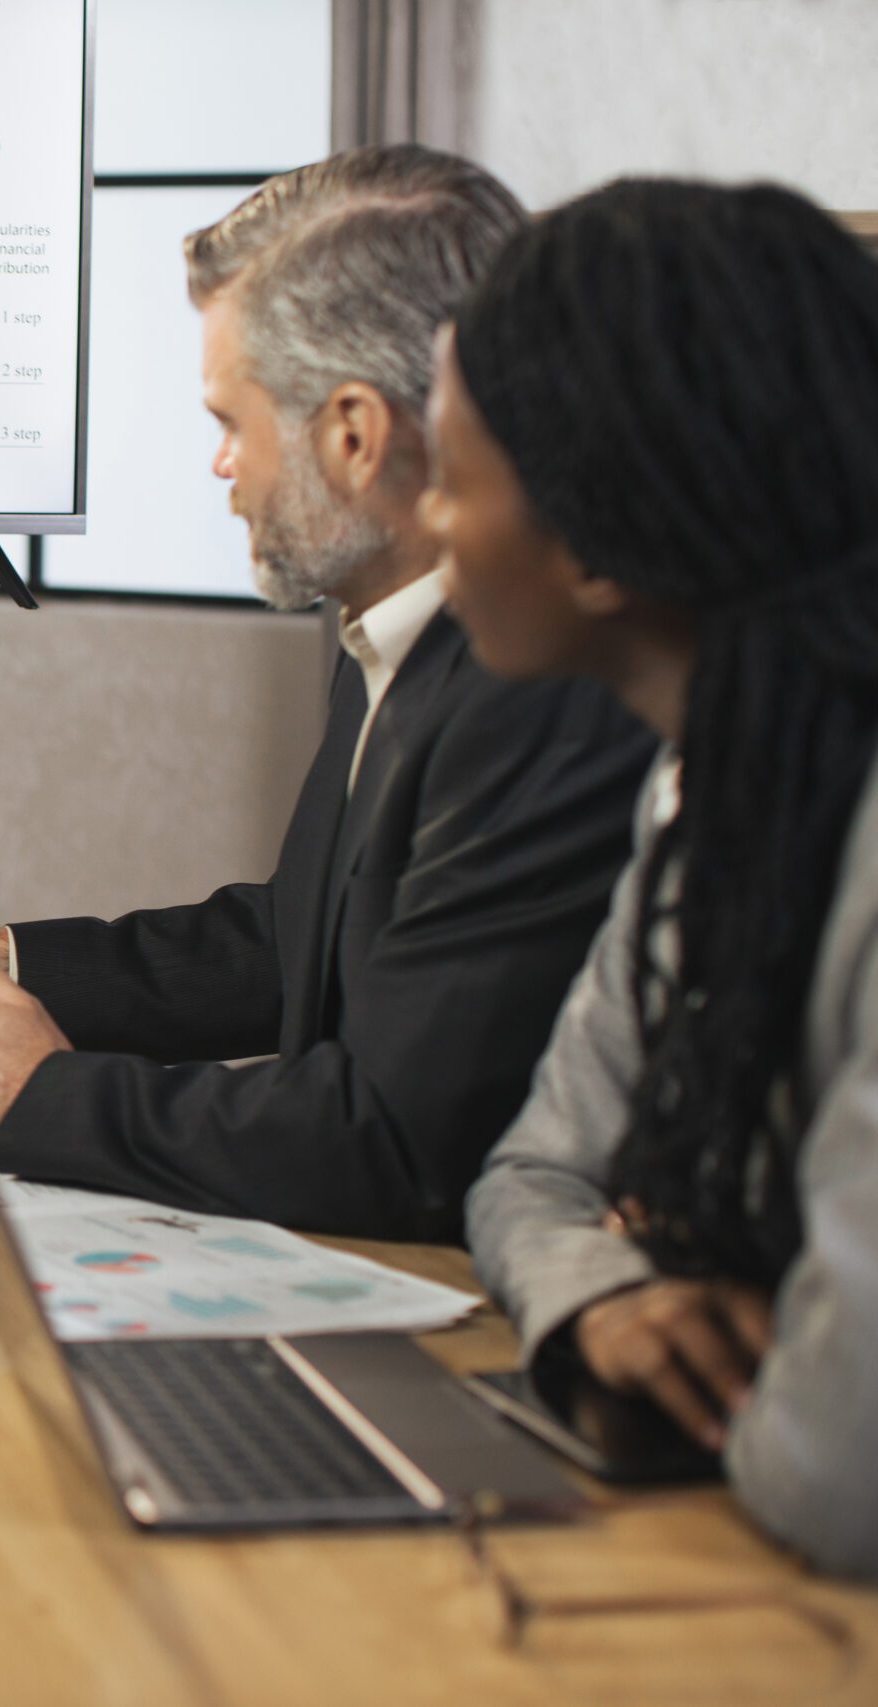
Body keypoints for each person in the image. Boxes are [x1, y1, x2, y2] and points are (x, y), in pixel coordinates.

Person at [0, 146, 657, 1241]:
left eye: (230, 422)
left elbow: (391, 1142)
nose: (222, 470)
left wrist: (34, 1094)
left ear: (352, 435)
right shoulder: (395, 621)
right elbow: (295, 937)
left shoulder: (542, 690)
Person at [438, 180, 878, 1578]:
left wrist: (758, 1303)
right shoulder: (709, 788)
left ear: (596, 540)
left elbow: (834, 1467)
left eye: (451, 478)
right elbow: (535, 1171)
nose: (429, 529)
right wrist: (606, 1295)